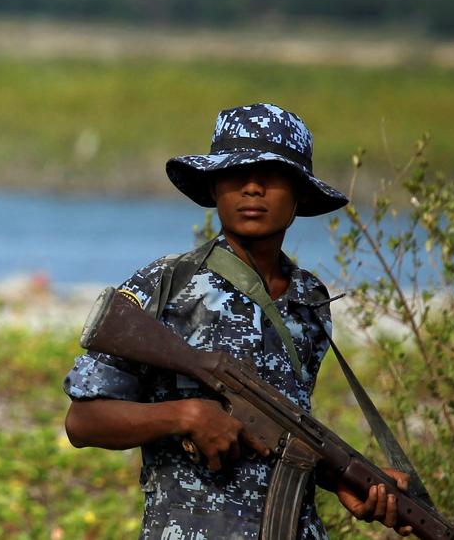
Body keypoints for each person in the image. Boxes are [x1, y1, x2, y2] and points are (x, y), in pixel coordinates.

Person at [62, 103, 412, 539]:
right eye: (236, 172)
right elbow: (83, 421)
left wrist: (341, 479)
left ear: (300, 193)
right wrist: (185, 415)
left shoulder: (309, 300)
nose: (252, 188)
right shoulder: (168, 284)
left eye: (273, 175)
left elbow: (277, 434)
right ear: (213, 186)